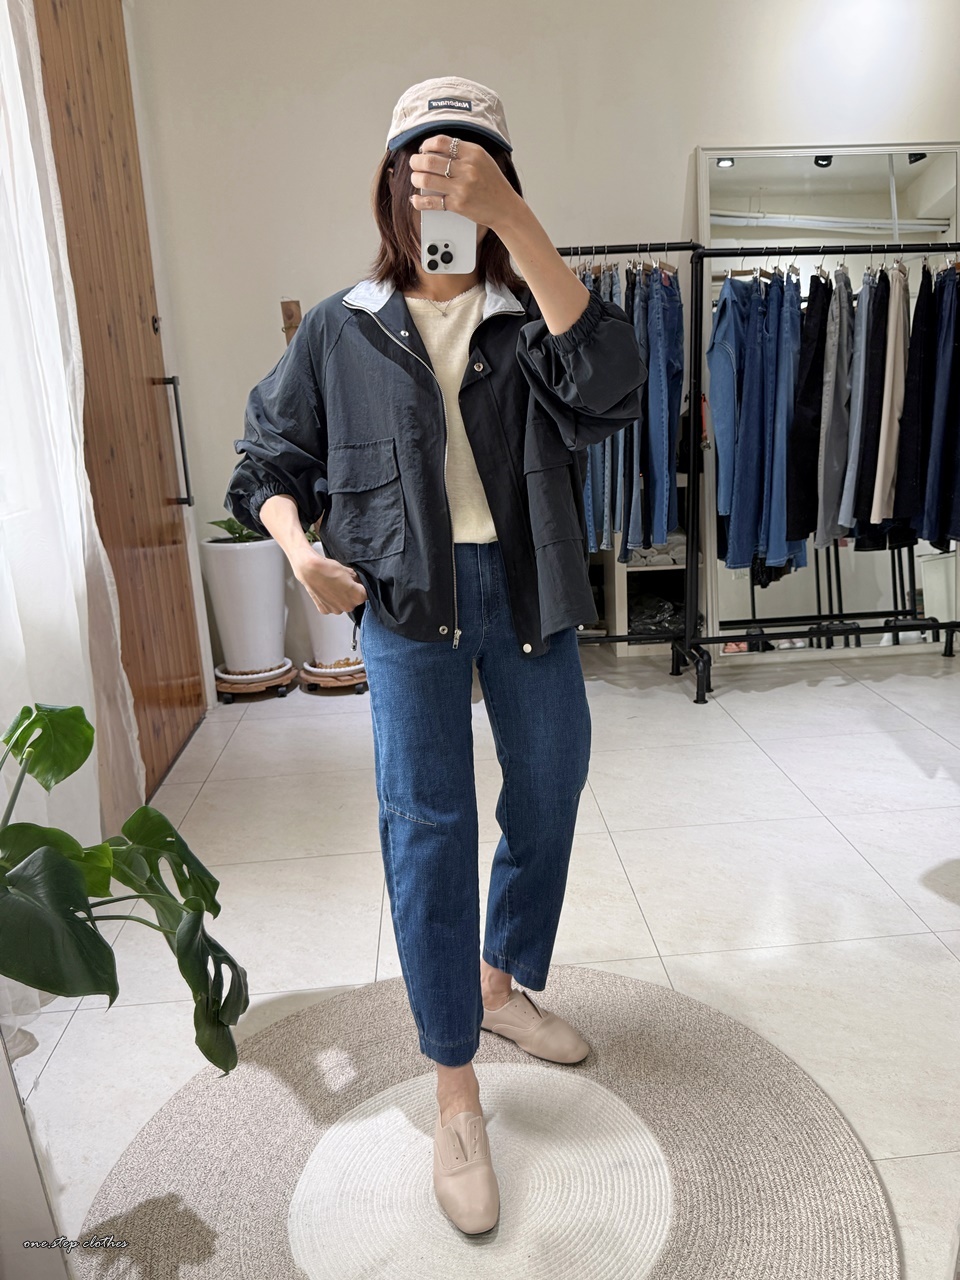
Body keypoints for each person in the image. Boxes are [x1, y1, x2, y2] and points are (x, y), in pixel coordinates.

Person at [224, 75, 645, 1235]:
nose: (443, 193)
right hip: (405, 601)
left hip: (527, 586)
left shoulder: (534, 312)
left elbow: (615, 385)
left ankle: (498, 980)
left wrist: (516, 222)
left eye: (470, 170)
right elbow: (265, 460)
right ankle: (456, 1082)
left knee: (551, 783)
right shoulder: (343, 324)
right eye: (426, 170)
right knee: (429, 824)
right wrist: (300, 551)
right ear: (392, 188)